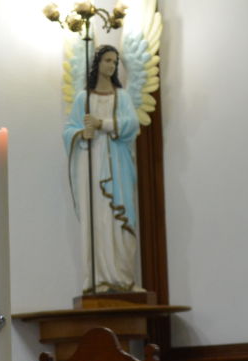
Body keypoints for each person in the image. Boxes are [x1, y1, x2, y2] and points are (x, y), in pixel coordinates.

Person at [62, 44, 140, 294]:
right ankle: (98, 279)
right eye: (107, 60)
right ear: (98, 63)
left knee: (121, 217)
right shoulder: (84, 98)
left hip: (118, 165)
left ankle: (123, 278)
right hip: (93, 167)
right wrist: (81, 133)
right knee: (97, 218)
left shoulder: (123, 96)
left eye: (115, 61)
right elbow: (69, 129)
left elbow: (132, 125)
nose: (112, 65)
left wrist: (102, 123)